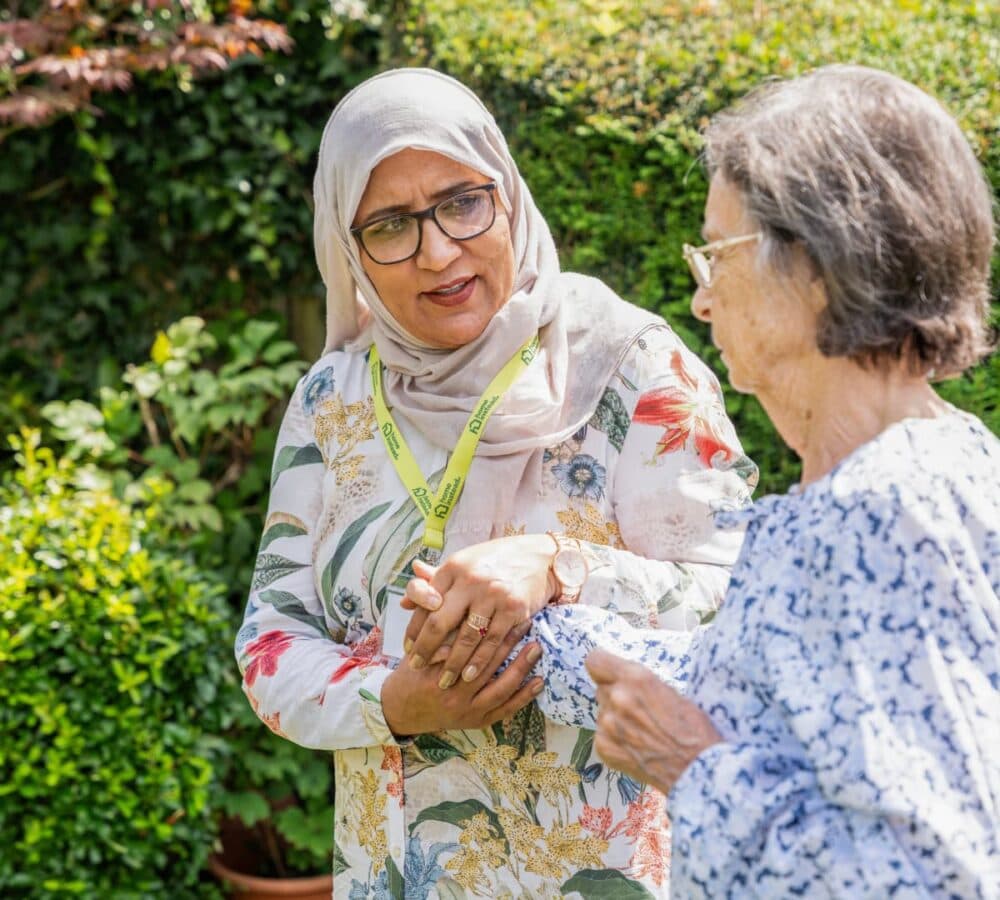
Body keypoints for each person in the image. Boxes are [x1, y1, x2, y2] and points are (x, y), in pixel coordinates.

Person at [235, 68, 756, 898]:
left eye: (461, 201)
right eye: (390, 225)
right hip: (395, 875)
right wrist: (392, 702)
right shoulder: (330, 403)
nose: (437, 251)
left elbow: (736, 604)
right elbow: (270, 646)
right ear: (348, 243)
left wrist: (561, 566)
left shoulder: (630, 366)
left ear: (506, 190)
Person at [586, 64, 1000, 898]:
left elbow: (936, 880)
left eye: (718, 254)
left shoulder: (882, 511)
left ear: (815, 265)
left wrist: (692, 768)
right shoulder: (927, 464)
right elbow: (752, 688)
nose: (702, 302)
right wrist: (545, 622)